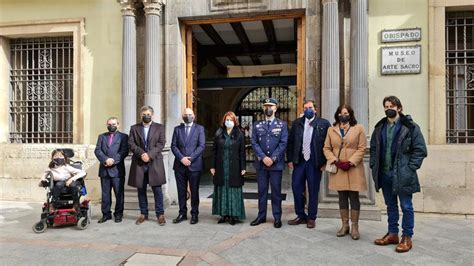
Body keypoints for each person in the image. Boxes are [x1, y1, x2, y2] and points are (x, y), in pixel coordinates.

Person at [370, 96, 427, 253]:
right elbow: (374, 148)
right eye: (386, 106)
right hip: (385, 173)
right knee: (391, 206)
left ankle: (407, 237)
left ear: (399, 108)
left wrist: (410, 168)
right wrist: (374, 164)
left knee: (406, 206)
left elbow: (420, 150)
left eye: (392, 106)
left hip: (403, 174)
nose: (389, 108)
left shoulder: (410, 127)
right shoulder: (380, 127)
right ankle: (393, 233)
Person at [323, 104, 367, 240]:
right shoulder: (331, 130)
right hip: (339, 168)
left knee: (354, 197)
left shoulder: (358, 128)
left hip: (353, 168)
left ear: (350, 114)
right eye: (341, 113)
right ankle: (344, 225)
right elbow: (326, 148)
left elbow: (362, 148)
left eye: (346, 113)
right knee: (342, 196)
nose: (344, 115)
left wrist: (351, 162)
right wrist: (335, 161)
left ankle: (355, 226)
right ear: (337, 115)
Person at [287, 100, 330, 229]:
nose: (308, 110)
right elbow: (291, 142)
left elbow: (329, 144)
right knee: (296, 188)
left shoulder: (324, 124)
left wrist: (325, 162)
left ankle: (311, 217)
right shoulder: (297, 123)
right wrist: (290, 159)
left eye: (310, 107)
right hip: (299, 162)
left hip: (315, 162)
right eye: (305, 108)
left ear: (315, 110)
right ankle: (300, 215)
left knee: (313, 190)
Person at [250, 98, 288, 228]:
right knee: (262, 192)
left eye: (270, 106)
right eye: (265, 106)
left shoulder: (282, 125)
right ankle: (261, 216)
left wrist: (273, 158)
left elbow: (283, 143)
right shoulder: (257, 125)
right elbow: (254, 142)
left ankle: (277, 217)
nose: (268, 108)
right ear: (263, 109)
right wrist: (263, 157)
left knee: (276, 192)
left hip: (276, 164)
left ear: (276, 108)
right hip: (261, 165)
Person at [128, 106, 167, 226]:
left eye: (148, 114)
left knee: (157, 190)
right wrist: (142, 154)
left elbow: (161, 143)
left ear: (152, 115)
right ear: (141, 115)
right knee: (141, 190)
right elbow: (131, 143)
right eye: (144, 114)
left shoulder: (160, 127)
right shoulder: (134, 128)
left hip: (154, 162)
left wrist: (149, 155)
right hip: (139, 163)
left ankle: (160, 214)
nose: (146, 116)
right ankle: (143, 214)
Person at [171, 108, 205, 225]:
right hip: (179, 166)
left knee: (194, 191)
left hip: (194, 165)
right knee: (181, 191)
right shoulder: (177, 129)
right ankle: (182, 213)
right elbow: (173, 146)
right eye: (185, 114)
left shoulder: (199, 129)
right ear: (182, 116)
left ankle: (194, 214)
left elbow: (201, 146)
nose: (188, 116)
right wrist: (182, 158)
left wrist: (190, 158)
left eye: (190, 114)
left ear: (194, 116)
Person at [210, 112, 246, 225]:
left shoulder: (239, 134)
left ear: (234, 121)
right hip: (221, 167)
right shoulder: (219, 133)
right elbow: (214, 151)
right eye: (227, 119)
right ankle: (223, 214)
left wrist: (243, 167)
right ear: (224, 121)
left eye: (231, 119)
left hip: (234, 167)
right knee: (222, 189)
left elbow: (242, 152)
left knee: (233, 190)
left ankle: (233, 215)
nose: (228, 122)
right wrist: (212, 166)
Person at [94, 117, 129, 223]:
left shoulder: (123, 137)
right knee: (105, 194)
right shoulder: (102, 137)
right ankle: (106, 214)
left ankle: (118, 214)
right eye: (109, 124)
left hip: (117, 170)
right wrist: (105, 159)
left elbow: (124, 151)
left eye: (113, 124)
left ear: (118, 125)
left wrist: (113, 160)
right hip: (104, 170)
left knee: (119, 194)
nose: (111, 126)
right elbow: (97, 150)